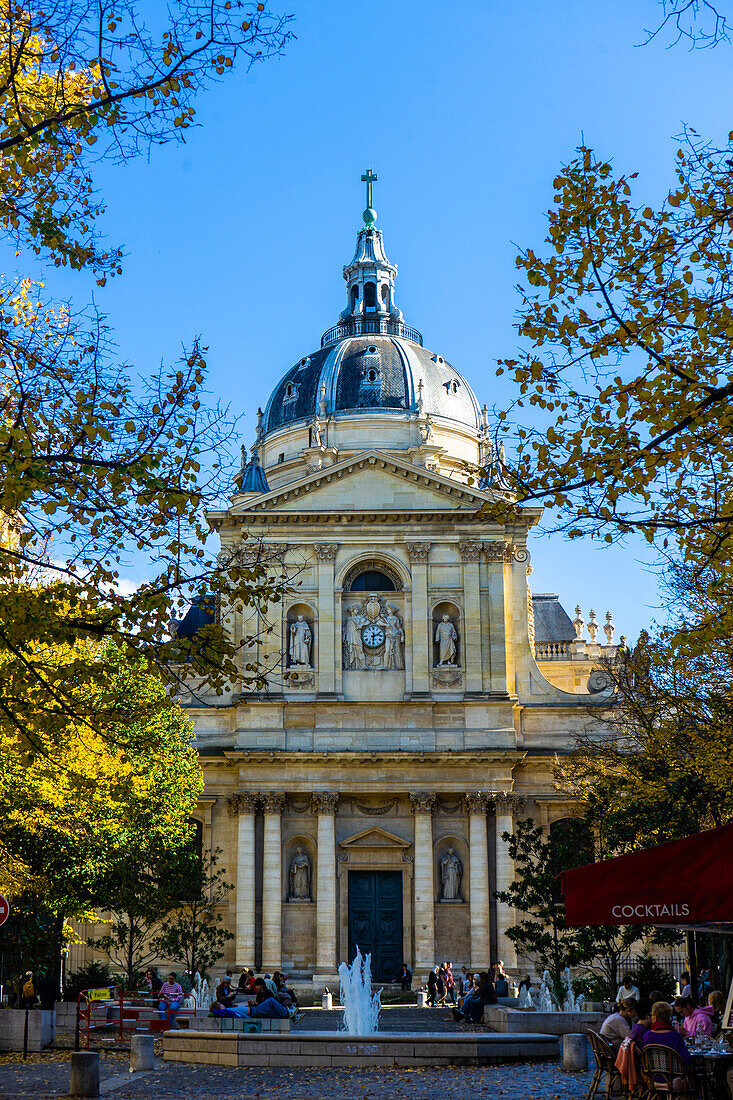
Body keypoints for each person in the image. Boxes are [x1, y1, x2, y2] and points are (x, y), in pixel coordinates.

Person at [641, 1001, 693, 1090]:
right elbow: (686, 1059)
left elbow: (643, 1058)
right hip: (674, 1080)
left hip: (653, 1080)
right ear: (669, 1018)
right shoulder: (675, 1036)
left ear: (654, 1017)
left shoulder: (647, 1036)